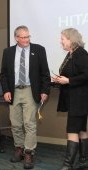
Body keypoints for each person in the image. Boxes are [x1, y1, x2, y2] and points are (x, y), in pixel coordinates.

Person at [0, 25, 51, 169]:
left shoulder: (39, 50)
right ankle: (19, 149)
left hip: (30, 90)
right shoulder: (8, 52)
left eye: (28, 36)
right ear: (16, 38)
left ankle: (29, 152)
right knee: (15, 124)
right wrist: (5, 90)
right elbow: (3, 74)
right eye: (23, 37)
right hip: (14, 91)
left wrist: (45, 90)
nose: (27, 39)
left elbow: (45, 73)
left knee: (29, 124)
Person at [52, 28, 88, 170]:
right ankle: (84, 160)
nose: (61, 41)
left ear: (71, 39)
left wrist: (69, 81)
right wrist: (58, 80)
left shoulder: (81, 54)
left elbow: (86, 75)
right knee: (81, 129)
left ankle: (68, 165)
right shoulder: (70, 54)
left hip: (79, 100)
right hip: (74, 98)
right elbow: (69, 75)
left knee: (72, 130)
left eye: (63, 39)